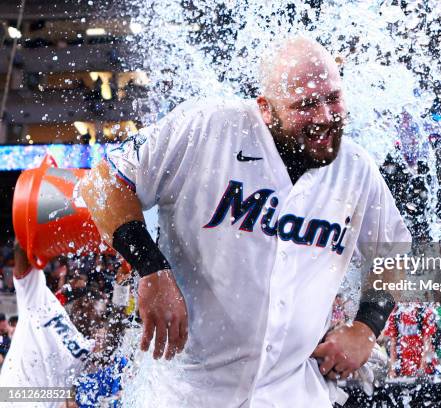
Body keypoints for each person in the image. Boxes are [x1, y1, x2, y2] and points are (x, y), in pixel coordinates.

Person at [81, 37, 411, 407]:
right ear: (266, 109)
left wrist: (367, 327)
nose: (323, 117)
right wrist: (151, 268)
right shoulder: (209, 127)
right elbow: (104, 181)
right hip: (189, 392)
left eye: (332, 98)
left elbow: (394, 253)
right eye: (305, 105)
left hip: (294, 392)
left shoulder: (356, 169)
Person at [0, 242, 94, 406]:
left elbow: (66, 398)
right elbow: (21, 248)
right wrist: (33, 224)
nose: (87, 306)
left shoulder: (86, 345)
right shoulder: (40, 300)